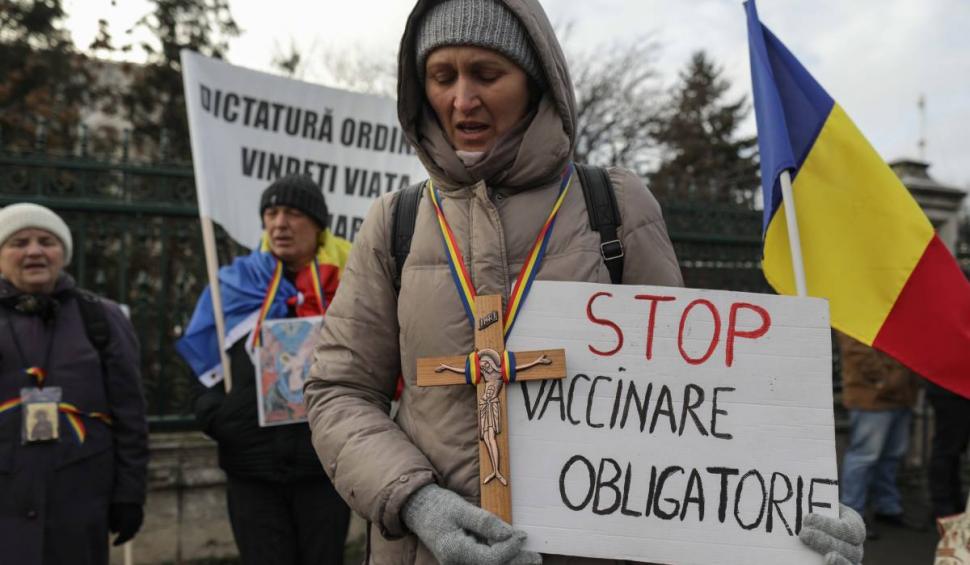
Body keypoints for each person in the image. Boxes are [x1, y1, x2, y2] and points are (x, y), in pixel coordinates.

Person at [304, 1, 867, 564]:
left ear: (536, 81)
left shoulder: (615, 207)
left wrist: (793, 501)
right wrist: (416, 500)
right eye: (442, 76)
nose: (461, 100)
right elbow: (339, 390)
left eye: (487, 74)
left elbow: (695, 398)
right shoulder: (395, 222)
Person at [177, 174, 352, 565]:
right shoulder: (233, 285)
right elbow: (201, 364)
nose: (279, 224)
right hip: (250, 465)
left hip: (323, 465)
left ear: (318, 225)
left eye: (292, 213)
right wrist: (214, 415)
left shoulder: (347, 285)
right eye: (271, 213)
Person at [0, 203, 148, 565]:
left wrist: (130, 494)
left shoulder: (101, 317)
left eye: (46, 241)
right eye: (19, 242)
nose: (34, 250)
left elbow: (130, 412)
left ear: (63, 253)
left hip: (79, 508)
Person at [837, 331, 921, 538]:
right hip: (876, 393)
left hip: (891, 392)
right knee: (866, 456)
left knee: (888, 456)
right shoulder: (858, 310)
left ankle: (886, 507)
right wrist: (888, 379)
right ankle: (853, 514)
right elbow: (855, 348)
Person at [926, 380, 970, 521]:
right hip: (952, 391)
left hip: (953, 390)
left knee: (951, 450)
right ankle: (944, 507)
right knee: (947, 450)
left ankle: (951, 503)